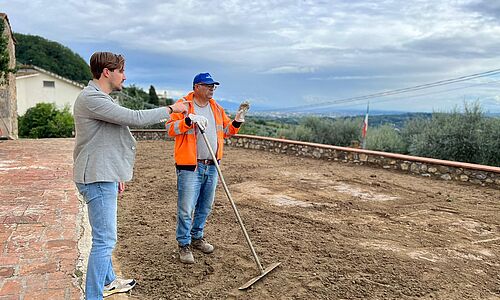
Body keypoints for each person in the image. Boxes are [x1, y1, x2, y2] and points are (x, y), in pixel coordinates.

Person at [73, 51, 187, 300]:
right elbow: (133, 117)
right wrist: (171, 108)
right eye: (121, 71)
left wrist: (116, 174)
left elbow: (106, 138)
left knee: (103, 235)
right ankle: (93, 296)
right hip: (96, 177)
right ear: (107, 72)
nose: (125, 76)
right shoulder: (92, 99)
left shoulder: (99, 97)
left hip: (103, 174)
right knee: (105, 240)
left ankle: (110, 281)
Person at [166, 72, 249, 264]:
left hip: (212, 165)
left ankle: (197, 237)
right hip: (190, 167)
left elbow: (227, 132)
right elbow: (170, 129)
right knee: (186, 208)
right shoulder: (184, 106)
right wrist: (188, 121)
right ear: (197, 87)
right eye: (208, 85)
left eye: (214, 86)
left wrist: (237, 119)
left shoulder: (216, 108)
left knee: (205, 206)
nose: (212, 88)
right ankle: (184, 244)